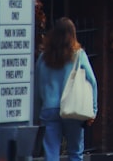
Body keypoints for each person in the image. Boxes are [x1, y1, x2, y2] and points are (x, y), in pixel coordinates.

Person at [35, 17, 97, 161]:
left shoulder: (43, 57)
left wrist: (36, 113)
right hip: (72, 108)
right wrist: (93, 110)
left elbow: (37, 88)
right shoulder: (78, 55)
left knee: (51, 153)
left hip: (49, 109)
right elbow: (92, 81)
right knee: (75, 152)